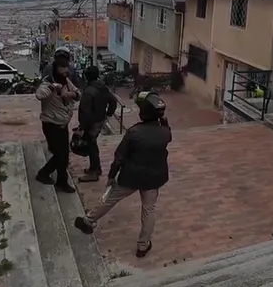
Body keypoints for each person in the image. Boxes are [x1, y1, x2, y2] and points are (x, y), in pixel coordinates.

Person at [74, 92, 172, 259]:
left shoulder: (134, 132)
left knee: (110, 199)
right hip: (154, 178)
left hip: (131, 176)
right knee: (149, 210)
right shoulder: (165, 133)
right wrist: (165, 124)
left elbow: (119, 156)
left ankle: (88, 221)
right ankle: (143, 246)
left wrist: (112, 175)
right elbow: (167, 136)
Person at [34, 60, 80, 193]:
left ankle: (59, 180)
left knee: (63, 155)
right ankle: (46, 175)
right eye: (62, 70)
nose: (65, 73)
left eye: (66, 69)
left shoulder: (66, 81)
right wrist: (53, 87)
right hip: (52, 125)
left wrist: (72, 94)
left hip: (63, 124)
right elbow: (39, 95)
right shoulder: (47, 83)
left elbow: (78, 93)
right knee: (60, 155)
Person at [76, 65, 118, 182]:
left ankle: (93, 172)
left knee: (91, 146)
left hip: (90, 123)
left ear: (86, 77)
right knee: (93, 144)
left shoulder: (88, 91)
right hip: (99, 120)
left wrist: (82, 127)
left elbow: (85, 111)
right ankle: (96, 168)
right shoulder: (102, 87)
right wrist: (108, 114)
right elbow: (113, 101)